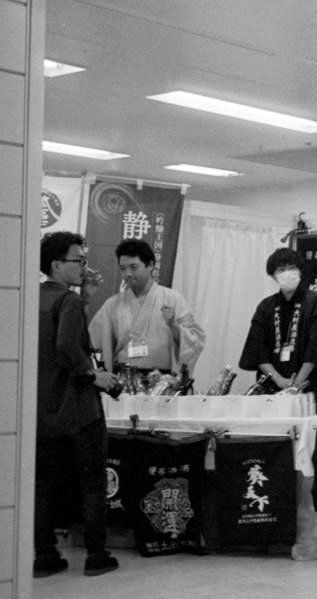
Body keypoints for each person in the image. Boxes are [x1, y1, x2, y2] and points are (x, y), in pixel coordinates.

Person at [36, 232, 120, 577]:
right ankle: (96, 555)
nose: (84, 266)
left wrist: (86, 298)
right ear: (57, 264)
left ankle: (44, 556)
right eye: (78, 260)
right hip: (78, 409)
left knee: (42, 486)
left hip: (42, 410)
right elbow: (68, 347)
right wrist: (93, 374)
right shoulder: (66, 301)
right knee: (92, 483)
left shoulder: (34, 298)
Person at [89, 239, 205, 378]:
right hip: (124, 378)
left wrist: (174, 326)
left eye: (133, 267)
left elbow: (196, 339)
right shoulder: (113, 304)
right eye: (123, 268)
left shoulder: (173, 299)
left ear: (150, 265)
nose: (128, 274)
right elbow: (96, 340)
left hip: (163, 381)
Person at [238, 248, 317, 404]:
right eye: (281, 270)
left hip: (306, 384)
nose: (288, 273)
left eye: (292, 268)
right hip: (270, 384)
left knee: (303, 425)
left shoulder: (316, 302)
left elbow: (316, 348)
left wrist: (295, 384)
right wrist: (278, 380)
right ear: (273, 275)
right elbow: (258, 349)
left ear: (300, 271)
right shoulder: (266, 307)